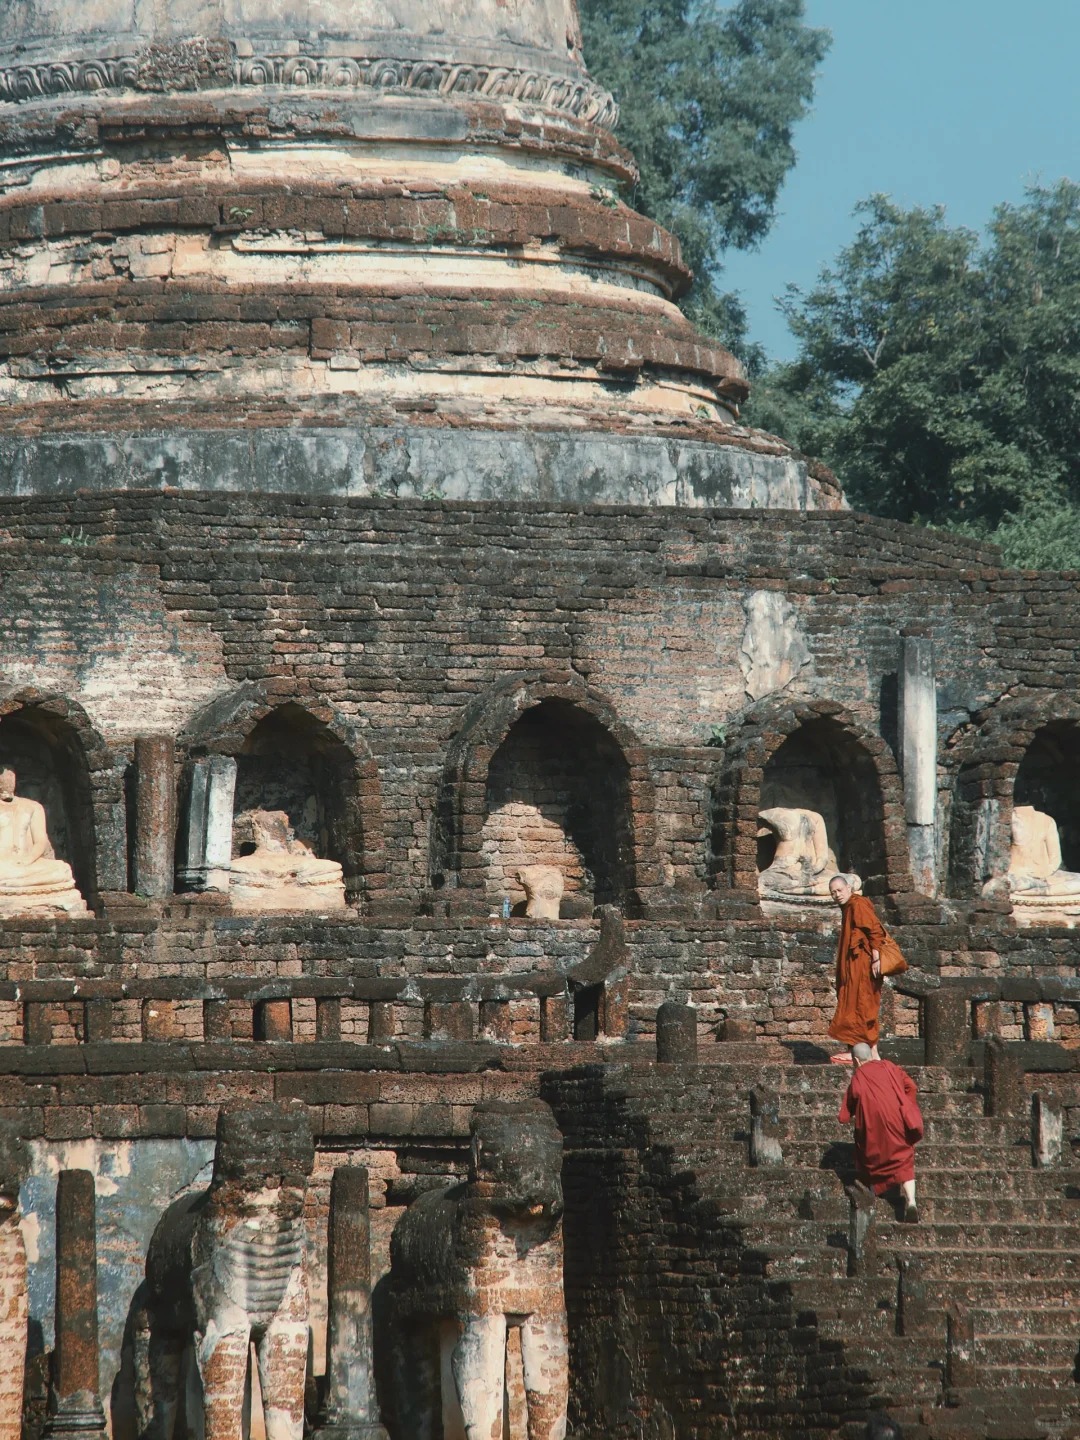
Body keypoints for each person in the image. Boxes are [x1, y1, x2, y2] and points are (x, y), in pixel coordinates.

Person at [839, 1042, 921, 1223]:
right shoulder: (890, 1066)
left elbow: (844, 1115)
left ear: (856, 1061)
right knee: (904, 1159)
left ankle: (873, 1193)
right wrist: (905, 1105)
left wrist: (849, 1111)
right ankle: (912, 1201)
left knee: (868, 1155)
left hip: (872, 1129)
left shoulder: (859, 1077)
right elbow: (911, 1087)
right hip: (897, 1123)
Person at [827, 872, 886, 1060]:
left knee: (862, 1007)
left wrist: (876, 958)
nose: (837, 895)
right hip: (852, 967)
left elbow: (875, 931)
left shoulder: (858, 904)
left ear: (849, 888)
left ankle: (868, 1052)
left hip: (863, 966)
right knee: (852, 1006)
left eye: (839, 890)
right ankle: (864, 1051)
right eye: (833, 892)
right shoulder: (848, 908)